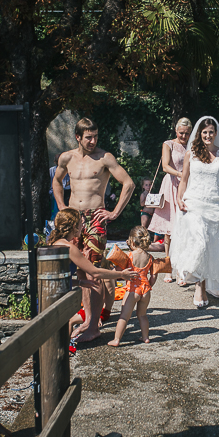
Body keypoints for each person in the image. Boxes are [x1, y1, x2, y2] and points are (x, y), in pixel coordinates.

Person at [52, 119, 136, 342]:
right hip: (73, 219)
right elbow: (56, 181)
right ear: (78, 137)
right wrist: (61, 206)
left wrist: (114, 213)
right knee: (81, 272)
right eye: (88, 137)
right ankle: (90, 319)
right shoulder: (66, 157)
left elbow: (128, 183)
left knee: (93, 271)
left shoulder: (104, 157)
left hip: (95, 219)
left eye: (95, 136)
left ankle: (92, 326)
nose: (93, 141)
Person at [172, 116, 219, 308]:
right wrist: (179, 199)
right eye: (204, 132)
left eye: (211, 132)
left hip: (215, 205)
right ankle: (199, 287)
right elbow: (184, 180)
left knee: (212, 247)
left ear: (216, 133)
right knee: (200, 242)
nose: (208, 135)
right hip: (193, 203)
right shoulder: (191, 154)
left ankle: (210, 282)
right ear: (199, 134)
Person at [47, 208, 138, 340]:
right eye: (81, 224)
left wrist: (79, 282)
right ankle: (64, 351)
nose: (83, 227)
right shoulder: (69, 248)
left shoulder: (55, 243)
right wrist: (122, 275)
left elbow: (55, 278)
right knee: (62, 334)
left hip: (48, 293)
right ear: (74, 226)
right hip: (58, 299)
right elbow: (94, 271)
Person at [148, 118, 192, 282]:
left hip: (188, 186)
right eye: (181, 133)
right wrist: (181, 175)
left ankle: (182, 269)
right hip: (171, 185)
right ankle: (168, 267)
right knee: (168, 230)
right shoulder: (169, 144)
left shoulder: (192, 145)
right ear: (176, 130)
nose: (184, 136)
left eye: (187, 133)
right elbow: (165, 166)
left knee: (184, 230)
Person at [108, 226, 156, 347]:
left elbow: (118, 271)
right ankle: (145, 337)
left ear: (132, 242)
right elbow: (154, 276)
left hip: (132, 290)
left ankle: (116, 340)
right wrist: (149, 285)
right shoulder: (150, 257)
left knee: (124, 316)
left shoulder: (129, 256)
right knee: (142, 315)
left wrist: (111, 270)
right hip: (145, 290)